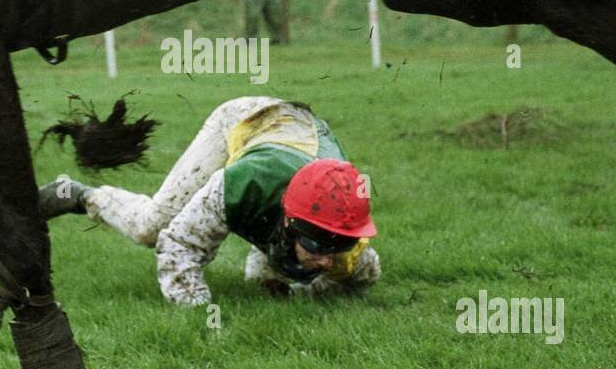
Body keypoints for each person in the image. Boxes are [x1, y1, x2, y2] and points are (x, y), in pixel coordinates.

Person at [39, 96, 380, 305]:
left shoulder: (348, 247)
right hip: (245, 119)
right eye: (314, 244)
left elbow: (360, 277)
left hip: (298, 137)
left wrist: (300, 294)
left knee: (270, 278)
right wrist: (200, 315)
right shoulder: (240, 184)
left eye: (333, 246)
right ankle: (77, 194)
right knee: (151, 228)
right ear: (291, 223)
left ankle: (277, 262)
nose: (324, 258)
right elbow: (178, 247)